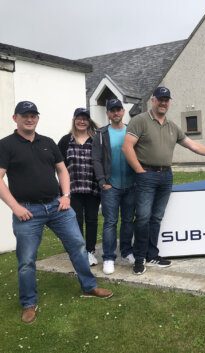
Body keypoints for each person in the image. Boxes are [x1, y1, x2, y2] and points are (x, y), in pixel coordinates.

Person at [0, 101, 113, 324]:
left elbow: (62, 170)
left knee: (78, 246)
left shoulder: (48, 142)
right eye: (25, 115)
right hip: (27, 211)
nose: (30, 119)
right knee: (26, 260)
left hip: (56, 206)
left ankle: (89, 287)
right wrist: (15, 207)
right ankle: (29, 303)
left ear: (37, 118)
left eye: (33, 115)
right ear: (15, 118)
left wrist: (66, 195)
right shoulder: (6, 145)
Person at [122, 87, 205, 275]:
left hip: (166, 176)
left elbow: (193, 146)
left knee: (156, 218)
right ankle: (139, 258)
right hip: (146, 175)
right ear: (153, 100)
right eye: (160, 99)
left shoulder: (173, 126)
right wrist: (140, 171)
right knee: (143, 218)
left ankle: (152, 254)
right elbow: (127, 147)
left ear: (169, 102)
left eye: (166, 100)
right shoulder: (140, 121)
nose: (163, 103)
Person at [92, 99, 136, 275]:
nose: (116, 113)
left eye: (118, 109)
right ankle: (109, 257)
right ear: (108, 114)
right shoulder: (101, 134)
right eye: (112, 110)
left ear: (123, 111)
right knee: (110, 222)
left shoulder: (131, 132)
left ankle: (126, 252)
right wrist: (102, 181)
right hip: (111, 186)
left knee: (128, 221)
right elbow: (96, 159)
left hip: (131, 185)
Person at [58, 108, 101, 267]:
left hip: (92, 188)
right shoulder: (65, 141)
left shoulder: (96, 140)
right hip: (72, 190)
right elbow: (59, 167)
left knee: (92, 220)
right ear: (74, 120)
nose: (82, 121)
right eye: (79, 118)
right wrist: (62, 192)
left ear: (89, 121)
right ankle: (79, 252)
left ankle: (90, 251)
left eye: (85, 118)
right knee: (75, 221)